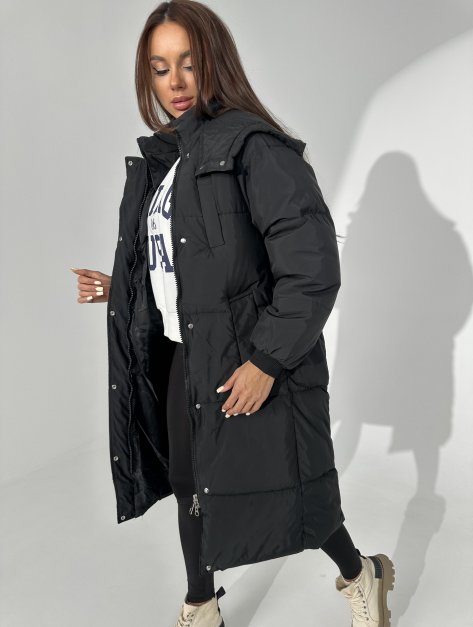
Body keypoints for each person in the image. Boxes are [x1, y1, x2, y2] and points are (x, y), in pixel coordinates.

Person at [71, 1, 395, 625]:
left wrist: (267, 360)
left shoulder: (254, 147)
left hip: (244, 353)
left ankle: (362, 574)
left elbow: (311, 268)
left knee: (294, 486)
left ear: (215, 61)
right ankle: (201, 603)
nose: (175, 82)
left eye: (188, 63)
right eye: (160, 68)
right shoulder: (170, 161)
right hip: (186, 351)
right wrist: (120, 287)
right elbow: (187, 263)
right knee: (190, 484)